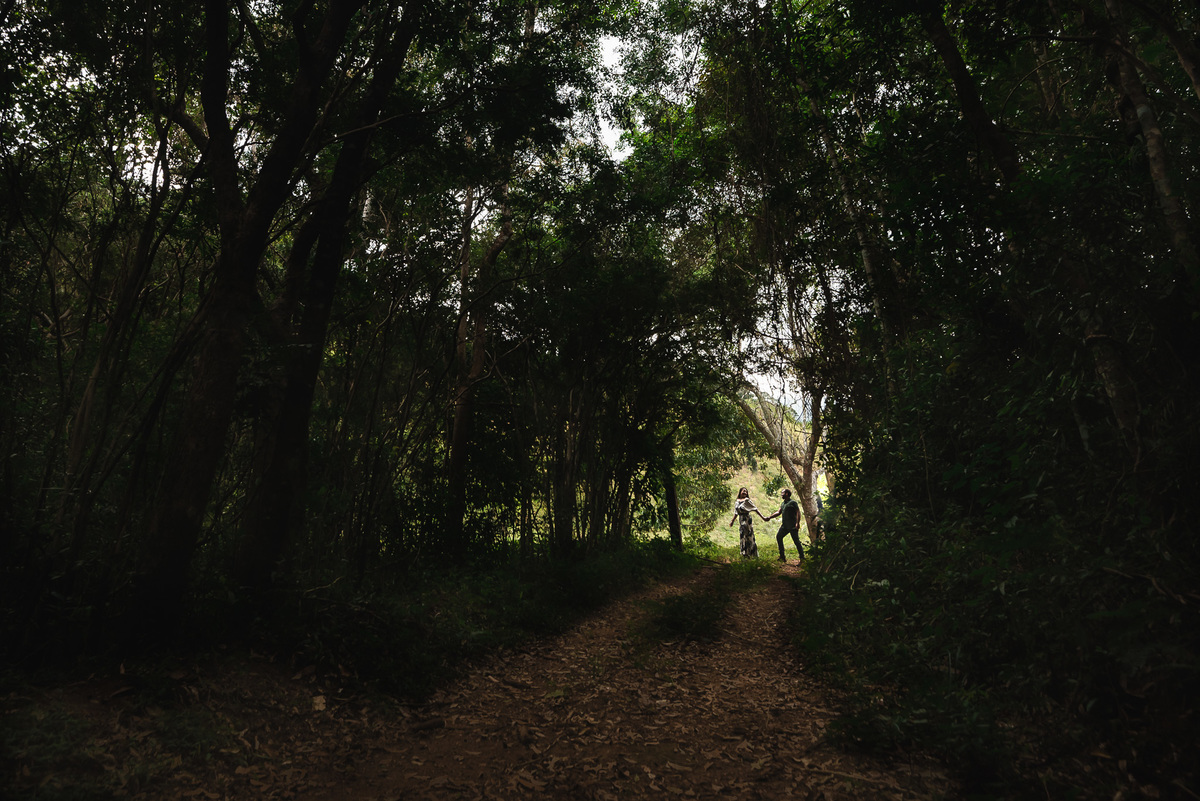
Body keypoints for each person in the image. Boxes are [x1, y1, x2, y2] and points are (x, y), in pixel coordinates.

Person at [763, 487, 803, 563]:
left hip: (792, 526)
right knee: (779, 537)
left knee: (796, 541)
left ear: (787, 494)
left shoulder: (793, 503)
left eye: (782, 493)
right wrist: (769, 517)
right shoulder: (783, 503)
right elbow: (778, 512)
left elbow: (798, 512)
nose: (781, 495)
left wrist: (797, 523)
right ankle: (782, 557)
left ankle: (802, 558)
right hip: (784, 526)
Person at [728, 487, 765, 558]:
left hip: (747, 519)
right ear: (740, 492)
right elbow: (736, 512)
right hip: (741, 519)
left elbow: (755, 508)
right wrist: (732, 521)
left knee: (748, 535)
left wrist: (763, 517)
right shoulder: (737, 501)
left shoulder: (747, 500)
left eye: (746, 491)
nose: (745, 492)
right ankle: (744, 552)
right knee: (742, 535)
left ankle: (751, 552)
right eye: (743, 491)